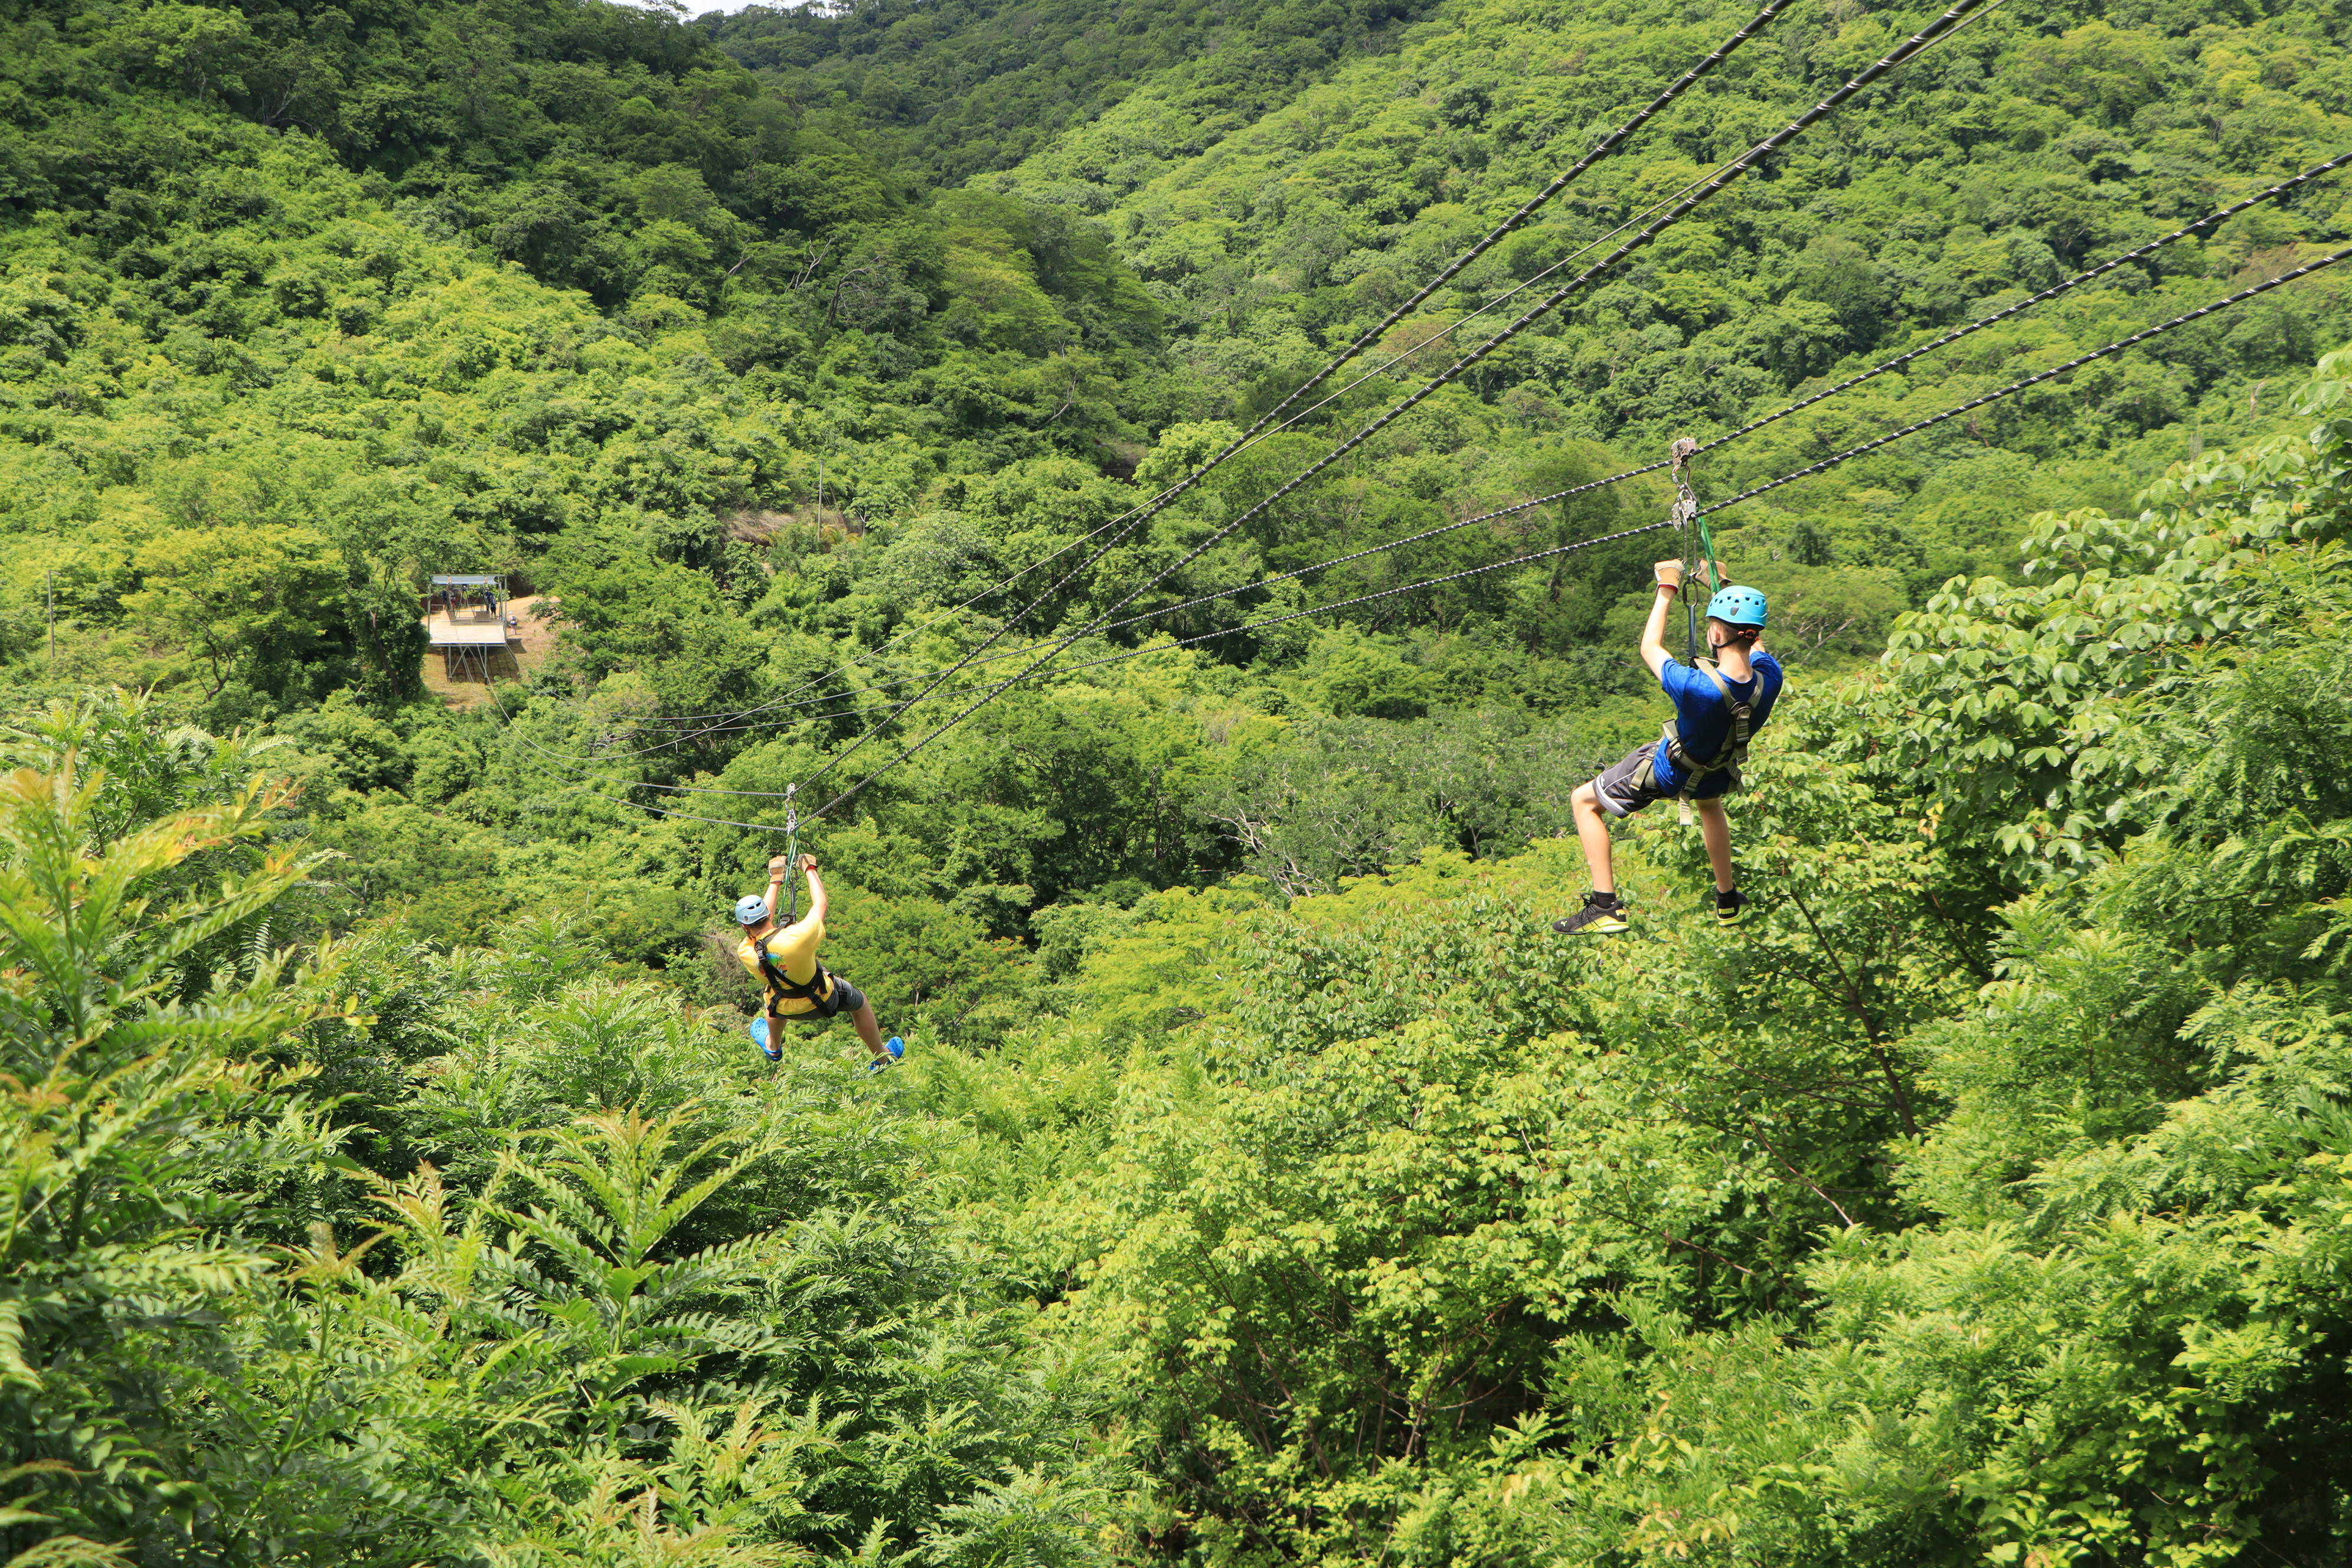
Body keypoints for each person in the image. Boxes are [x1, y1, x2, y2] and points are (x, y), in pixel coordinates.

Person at [1553, 562, 1783, 936]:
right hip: (1718, 774)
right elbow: (1754, 643)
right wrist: (1720, 587)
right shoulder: (1770, 678)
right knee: (1709, 805)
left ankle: (1604, 906)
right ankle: (1727, 897)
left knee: (1583, 800)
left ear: (1714, 632)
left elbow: (1649, 647)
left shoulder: (1696, 686)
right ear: (1753, 632)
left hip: (1668, 773)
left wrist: (1667, 588)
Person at [734, 852, 906, 1070]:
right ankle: (881, 1057)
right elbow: (821, 904)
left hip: (784, 1008)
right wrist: (810, 869)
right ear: (768, 916)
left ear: (744, 927)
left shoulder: (746, 951)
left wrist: (776, 879)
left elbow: (761, 928)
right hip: (823, 999)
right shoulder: (798, 937)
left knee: (773, 994)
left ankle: (773, 1045)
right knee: (860, 1003)